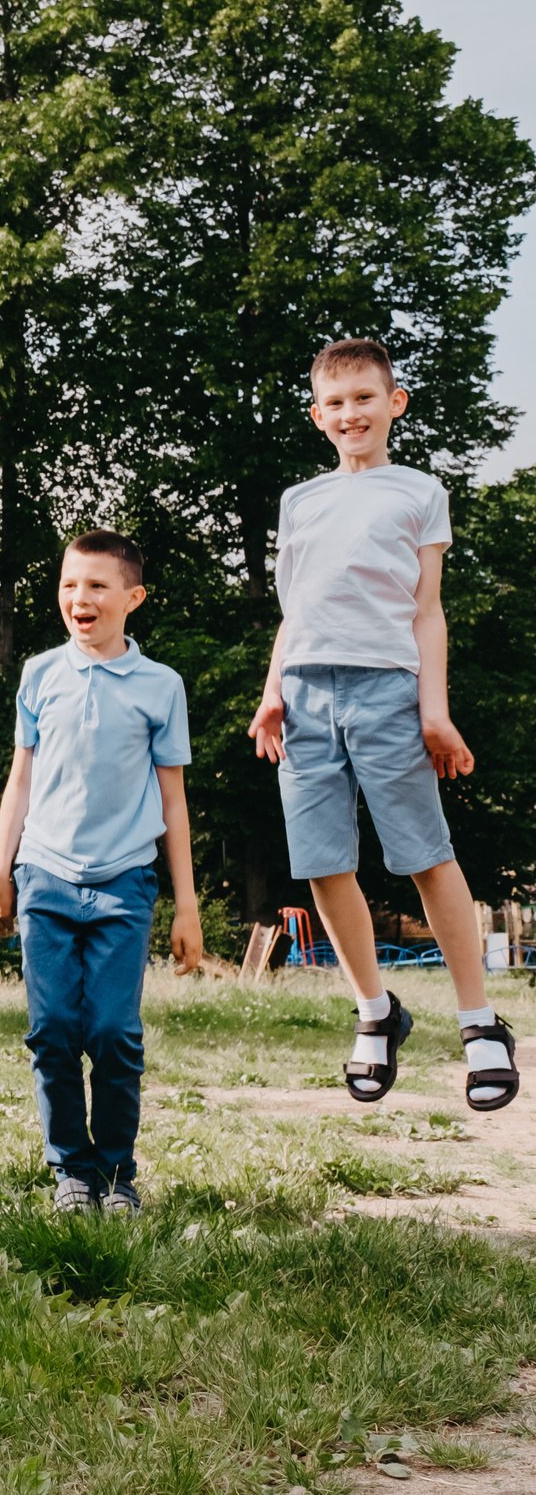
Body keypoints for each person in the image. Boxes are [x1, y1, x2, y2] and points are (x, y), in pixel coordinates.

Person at [249, 338, 516, 1110]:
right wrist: (272, 691)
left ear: (393, 403)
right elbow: (294, 613)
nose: (350, 413)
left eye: (364, 397)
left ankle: (479, 1024)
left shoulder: (419, 492)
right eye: (334, 403)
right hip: (303, 696)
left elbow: (427, 611)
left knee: (425, 855)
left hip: (388, 692)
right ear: (317, 416)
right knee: (323, 863)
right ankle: (375, 1013)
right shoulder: (300, 501)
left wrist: (433, 709)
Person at [0, 532, 203, 1214]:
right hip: (43, 874)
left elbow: (173, 800)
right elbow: (20, 780)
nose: (81, 597)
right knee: (51, 1030)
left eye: (98, 585)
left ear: (132, 597)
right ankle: (71, 1172)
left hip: (123, 881)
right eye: (71, 584)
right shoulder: (41, 674)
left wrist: (187, 906)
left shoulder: (160, 686)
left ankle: (115, 1173)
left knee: (110, 1031)